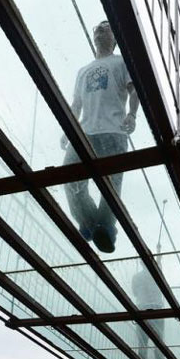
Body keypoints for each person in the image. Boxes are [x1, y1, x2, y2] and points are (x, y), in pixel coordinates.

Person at [61, 20, 140, 253]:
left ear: (114, 38)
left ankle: (103, 228)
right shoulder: (83, 71)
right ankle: (91, 223)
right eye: (97, 28)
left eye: (106, 27)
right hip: (84, 133)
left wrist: (132, 115)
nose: (99, 30)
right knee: (69, 179)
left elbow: (134, 89)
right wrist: (68, 129)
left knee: (111, 185)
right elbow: (76, 104)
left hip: (113, 131)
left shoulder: (121, 62)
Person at [131, 263, 165, 359]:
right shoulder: (158, 274)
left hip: (142, 309)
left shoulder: (137, 277)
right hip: (157, 309)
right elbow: (162, 289)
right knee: (158, 341)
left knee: (142, 341)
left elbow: (135, 292)